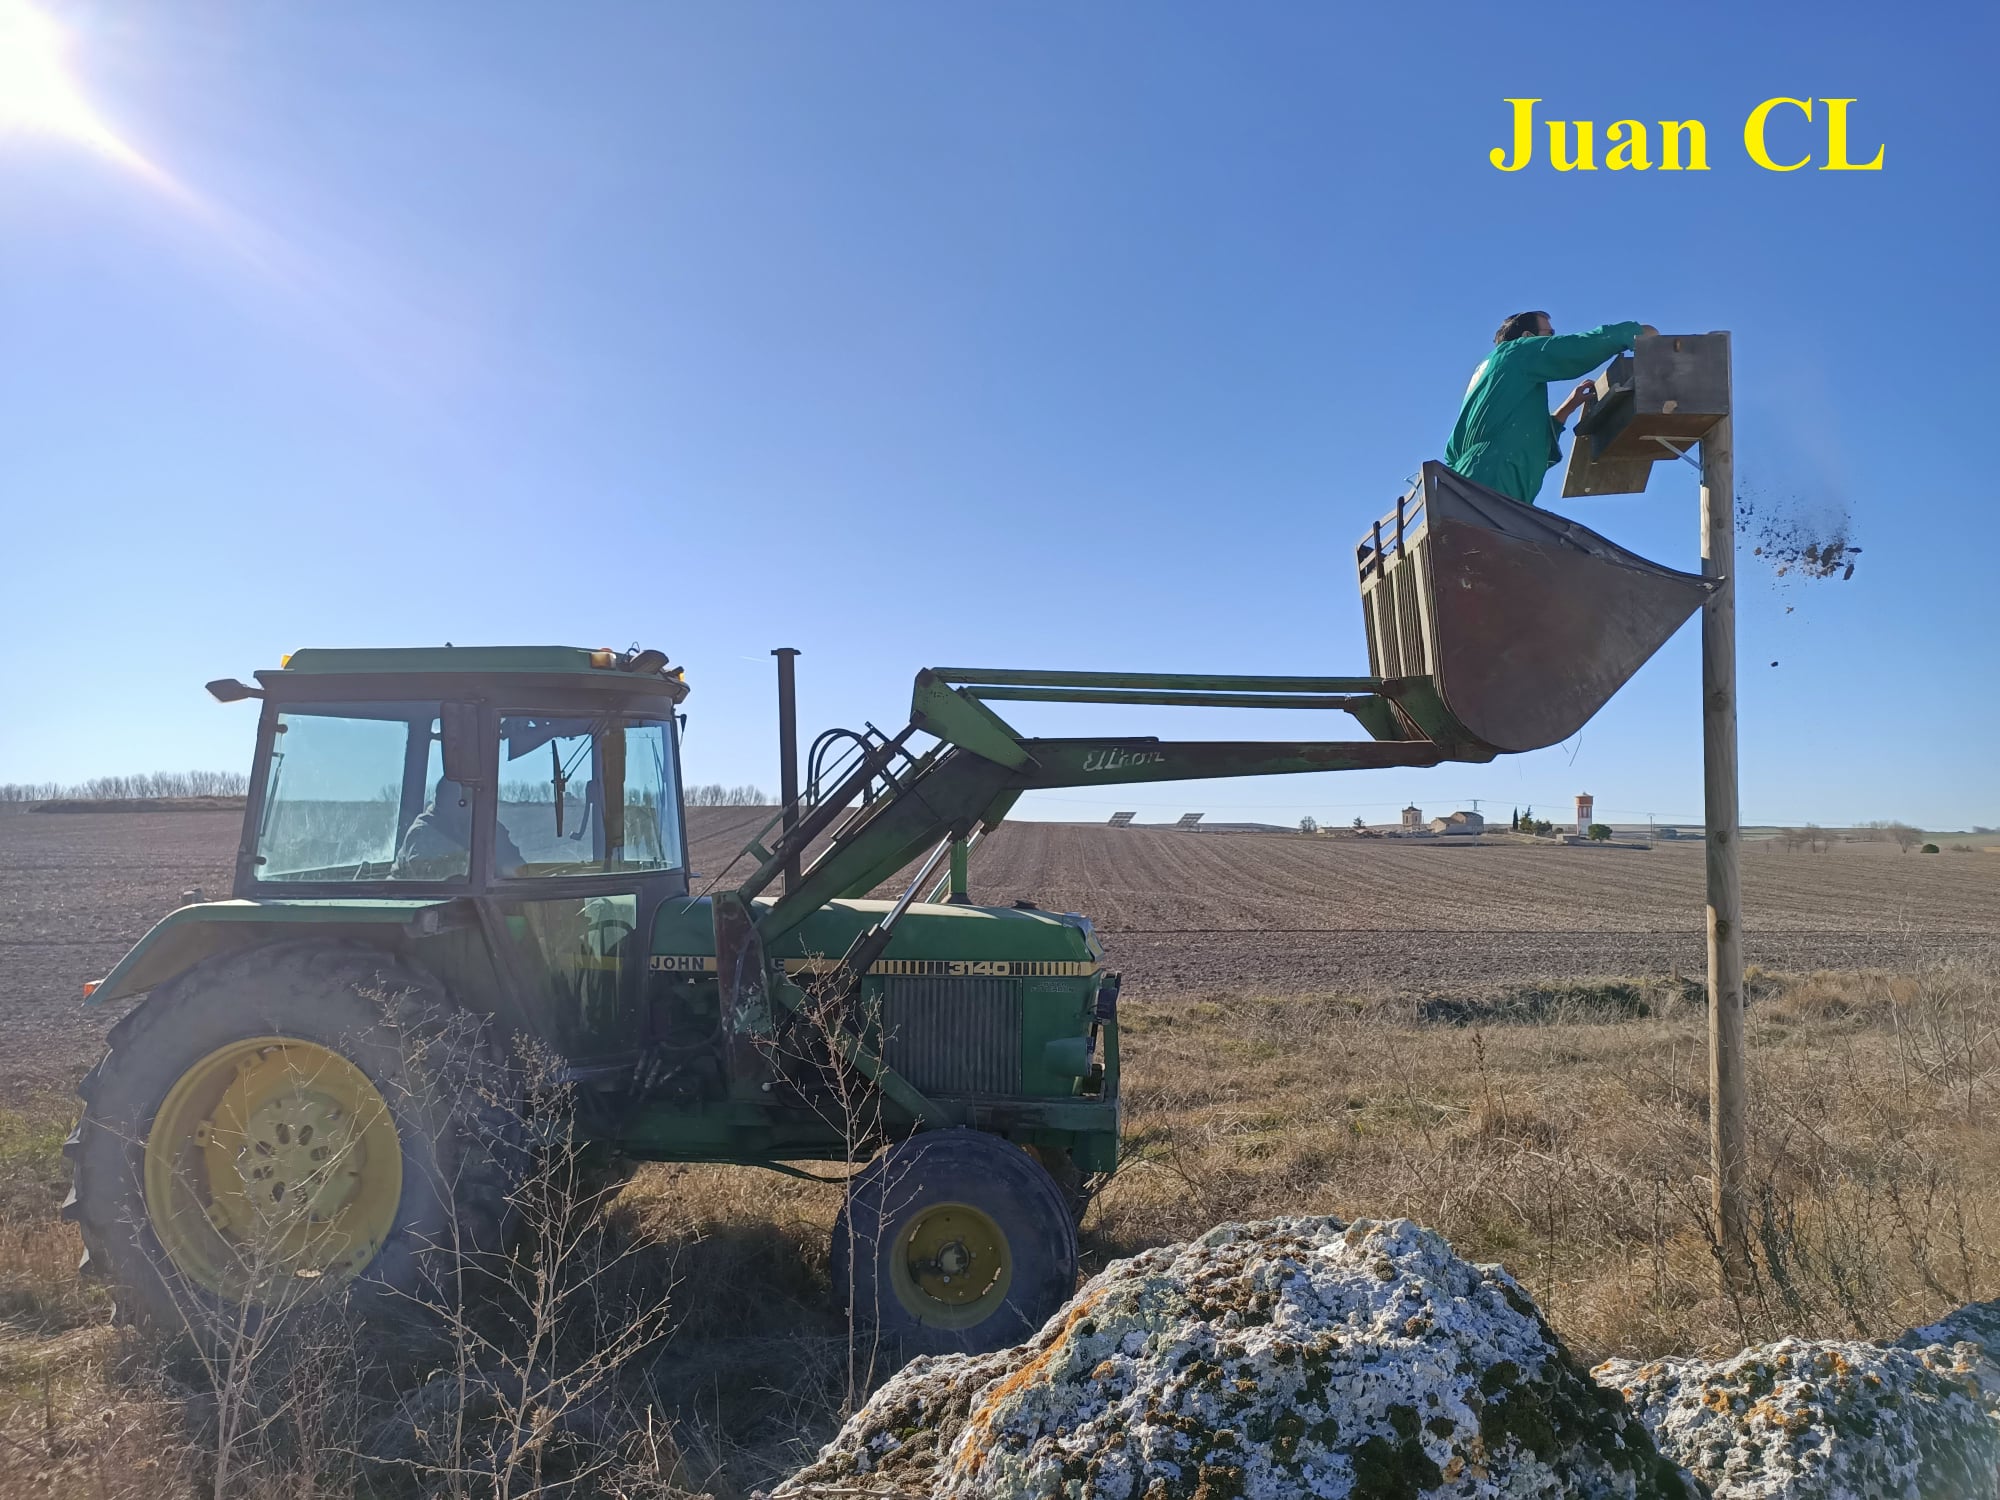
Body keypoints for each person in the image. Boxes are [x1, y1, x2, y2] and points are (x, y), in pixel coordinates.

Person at [1443, 311, 1657, 505]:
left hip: (1470, 479)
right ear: (1528, 337)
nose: (1554, 338)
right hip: (1497, 475)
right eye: (1549, 333)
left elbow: (1517, 431)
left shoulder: (1492, 369)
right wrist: (1632, 333)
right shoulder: (1517, 352)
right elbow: (1579, 348)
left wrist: (1567, 408)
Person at [394, 777, 527, 879]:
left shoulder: (484, 825)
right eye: (468, 797)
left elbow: (514, 864)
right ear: (444, 800)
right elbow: (436, 883)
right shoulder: (423, 832)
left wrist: (514, 869)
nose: (473, 804)